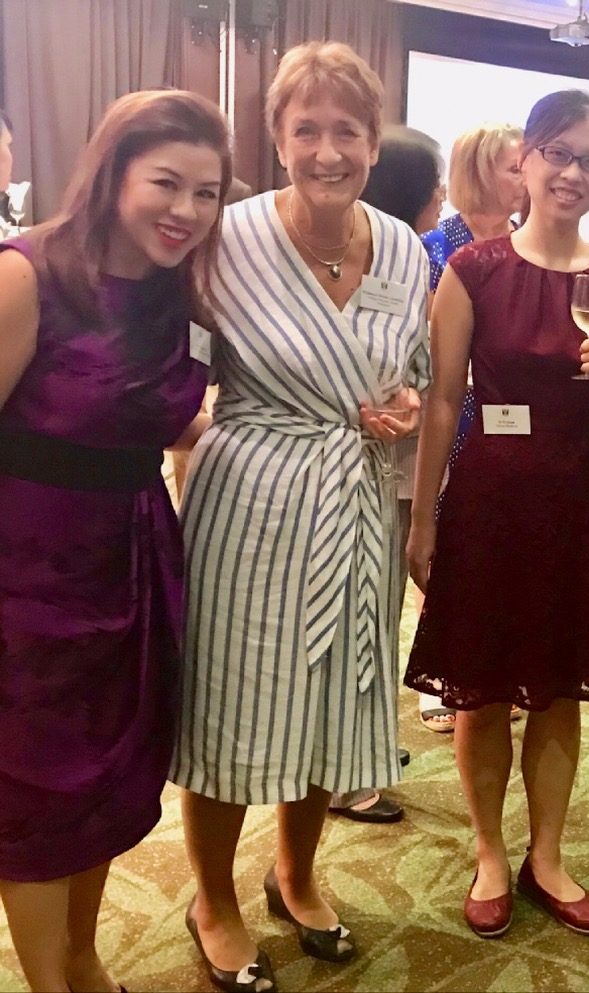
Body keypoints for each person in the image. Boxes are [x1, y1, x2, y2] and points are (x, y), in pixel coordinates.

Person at [171, 41, 428, 992]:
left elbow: (414, 374)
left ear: (373, 142)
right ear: (275, 140)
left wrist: (402, 406)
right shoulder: (224, 239)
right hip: (249, 502)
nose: (328, 150)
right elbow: (175, 380)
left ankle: (297, 874)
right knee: (232, 703)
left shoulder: (402, 247)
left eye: (347, 131)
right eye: (306, 129)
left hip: (355, 499)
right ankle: (212, 899)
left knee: (335, 698)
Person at [404, 89, 589, 939]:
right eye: (559, 153)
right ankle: (489, 852)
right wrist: (425, 517)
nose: (573, 172)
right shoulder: (474, 269)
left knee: (557, 694)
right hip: (488, 503)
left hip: (575, 508)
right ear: (526, 161)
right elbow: (443, 400)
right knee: (479, 692)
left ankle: (547, 855)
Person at [0, 89, 229, 993]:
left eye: (206, 193)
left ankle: (83, 959)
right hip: (26, 571)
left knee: (104, 779)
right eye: (165, 183)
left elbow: (152, 414)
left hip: (133, 559)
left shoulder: (180, 293)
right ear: (113, 173)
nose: (186, 210)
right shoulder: (31, 273)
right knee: (34, 792)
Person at [327, 124, 444, 825]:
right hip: (368, 469)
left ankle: (359, 754)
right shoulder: (382, 261)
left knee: (375, 616)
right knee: (359, 619)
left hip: (392, 466)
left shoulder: (402, 257)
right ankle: (346, 777)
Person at [415, 122, 525, 734]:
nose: (526, 177)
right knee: (450, 549)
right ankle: (448, 673)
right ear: (482, 171)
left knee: (507, 553)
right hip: (454, 415)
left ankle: (502, 668)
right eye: (515, 167)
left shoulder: (530, 244)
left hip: (518, 425)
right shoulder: (436, 248)